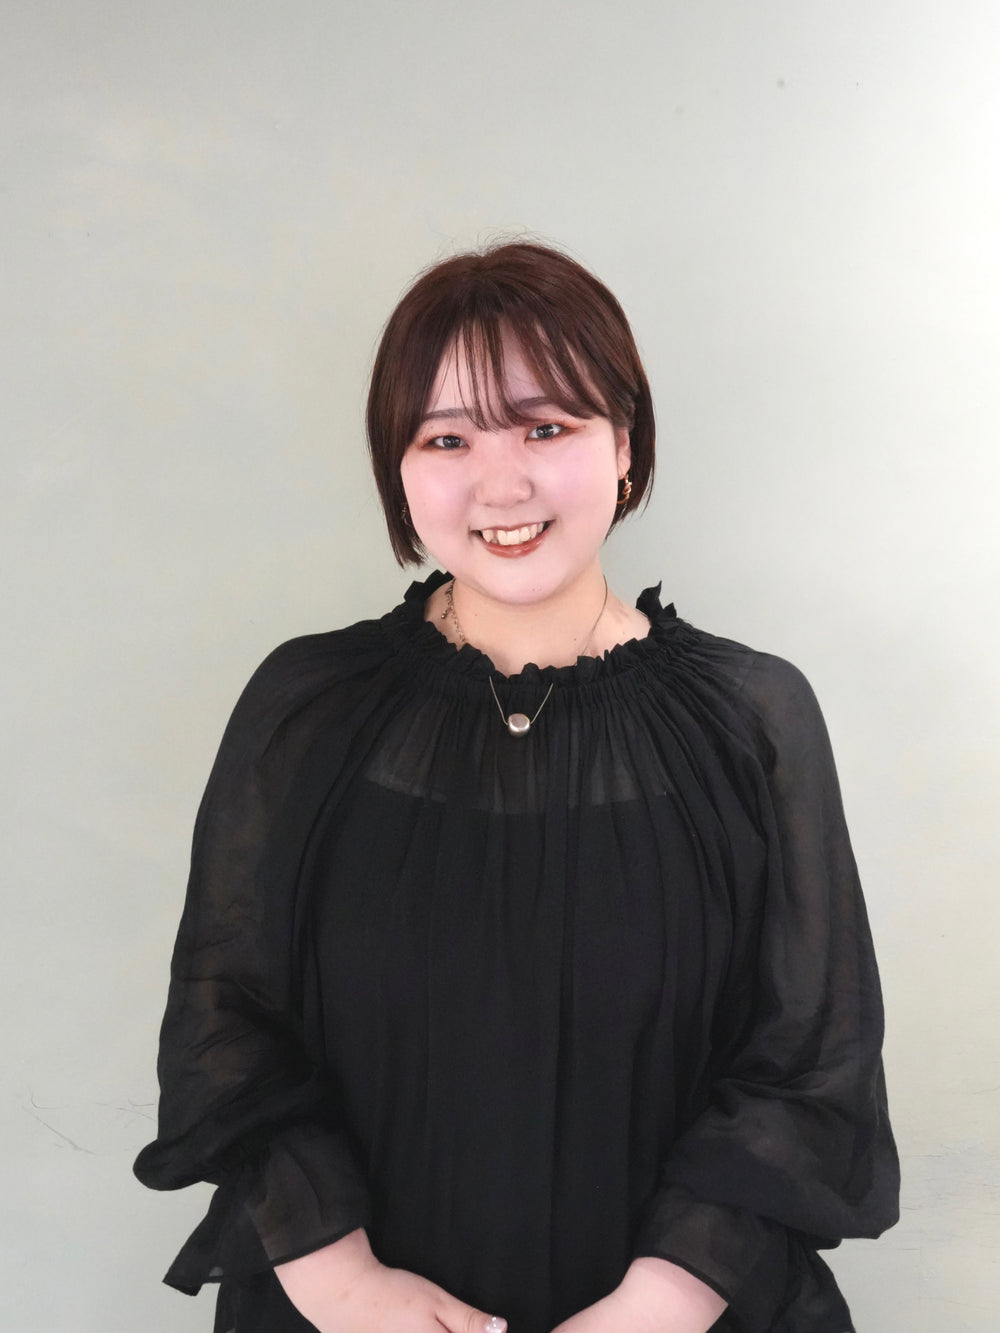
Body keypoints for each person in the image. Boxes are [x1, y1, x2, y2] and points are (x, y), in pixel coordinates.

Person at [134, 242, 899, 1333]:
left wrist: (657, 1306)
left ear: (623, 444)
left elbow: (810, 1066)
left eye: (546, 428)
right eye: (447, 438)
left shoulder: (753, 720)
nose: (502, 484)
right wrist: (345, 1285)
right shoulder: (305, 709)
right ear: (399, 469)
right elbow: (225, 1021)